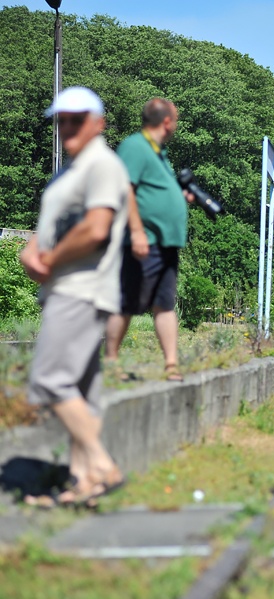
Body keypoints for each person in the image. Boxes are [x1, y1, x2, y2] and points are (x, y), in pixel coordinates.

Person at [19, 87, 129, 506]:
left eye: (76, 120)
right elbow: (54, 224)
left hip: (82, 289)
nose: (67, 128)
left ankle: (102, 464)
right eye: (61, 120)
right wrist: (31, 249)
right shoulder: (71, 170)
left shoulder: (102, 165)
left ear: (99, 123)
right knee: (82, 395)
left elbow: (96, 228)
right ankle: (84, 482)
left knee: (48, 379)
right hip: (67, 287)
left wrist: (47, 258)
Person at [105, 98, 192, 382]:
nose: (176, 125)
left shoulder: (159, 153)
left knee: (165, 303)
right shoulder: (135, 147)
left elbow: (153, 191)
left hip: (166, 242)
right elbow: (125, 188)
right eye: (176, 120)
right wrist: (137, 231)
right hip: (145, 240)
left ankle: (171, 365)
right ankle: (111, 362)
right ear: (166, 121)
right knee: (128, 301)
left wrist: (177, 199)